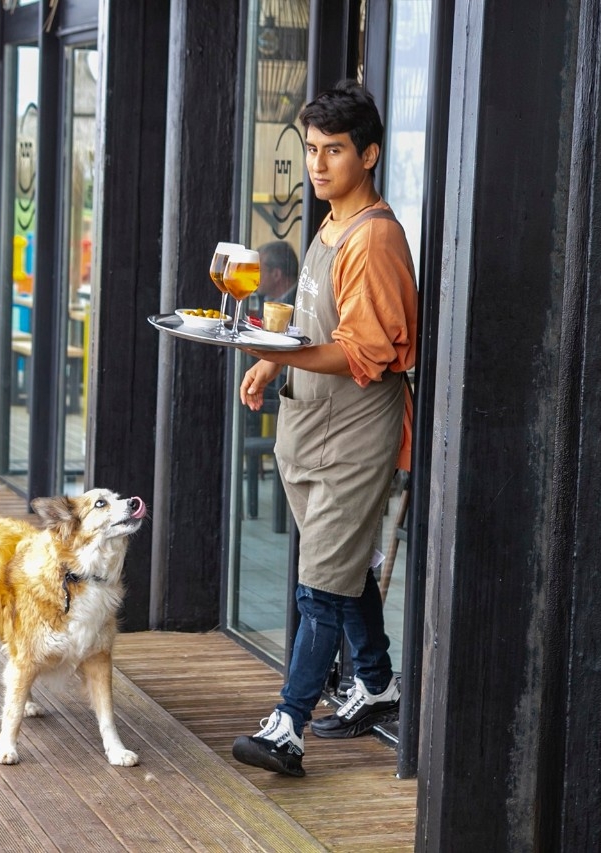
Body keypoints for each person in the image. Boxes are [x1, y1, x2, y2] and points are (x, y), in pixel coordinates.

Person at [231, 80, 418, 778]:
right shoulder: (331, 224)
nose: (318, 163)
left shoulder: (373, 239)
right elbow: (317, 330)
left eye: (333, 150)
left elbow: (367, 348)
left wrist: (273, 354)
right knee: (339, 568)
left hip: (350, 440)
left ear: (367, 154)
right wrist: (272, 368)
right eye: (311, 149)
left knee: (320, 583)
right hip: (307, 429)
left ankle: (288, 723)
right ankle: (375, 681)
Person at [257, 240, 299, 305]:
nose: (253, 277)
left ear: (276, 274)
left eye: (258, 271)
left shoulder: (301, 304)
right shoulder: (260, 299)